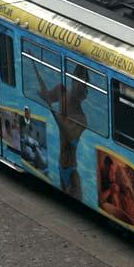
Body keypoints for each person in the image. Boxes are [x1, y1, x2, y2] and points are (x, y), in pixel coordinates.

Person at [33, 62, 88, 200]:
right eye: (80, 82)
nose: (82, 87)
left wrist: (56, 115)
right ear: (72, 79)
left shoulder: (81, 118)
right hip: (60, 166)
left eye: (85, 85)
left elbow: (69, 134)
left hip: (72, 171)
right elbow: (44, 96)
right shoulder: (60, 91)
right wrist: (42, 91)